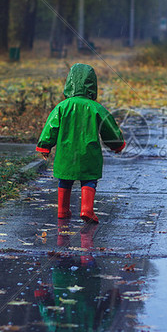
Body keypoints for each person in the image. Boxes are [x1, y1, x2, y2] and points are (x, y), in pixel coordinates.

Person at [36, 63, 125, 222]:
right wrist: (116, 144)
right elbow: (108, 127)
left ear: (69, 82)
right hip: (88, 152)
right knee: (89, 179)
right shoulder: (96, 107)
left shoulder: (62, 107)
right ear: (92, 84)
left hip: (66, 152)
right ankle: (86, 210)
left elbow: (51, 126)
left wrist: (45, 146)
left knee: (65, 179)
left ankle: (63, 211)